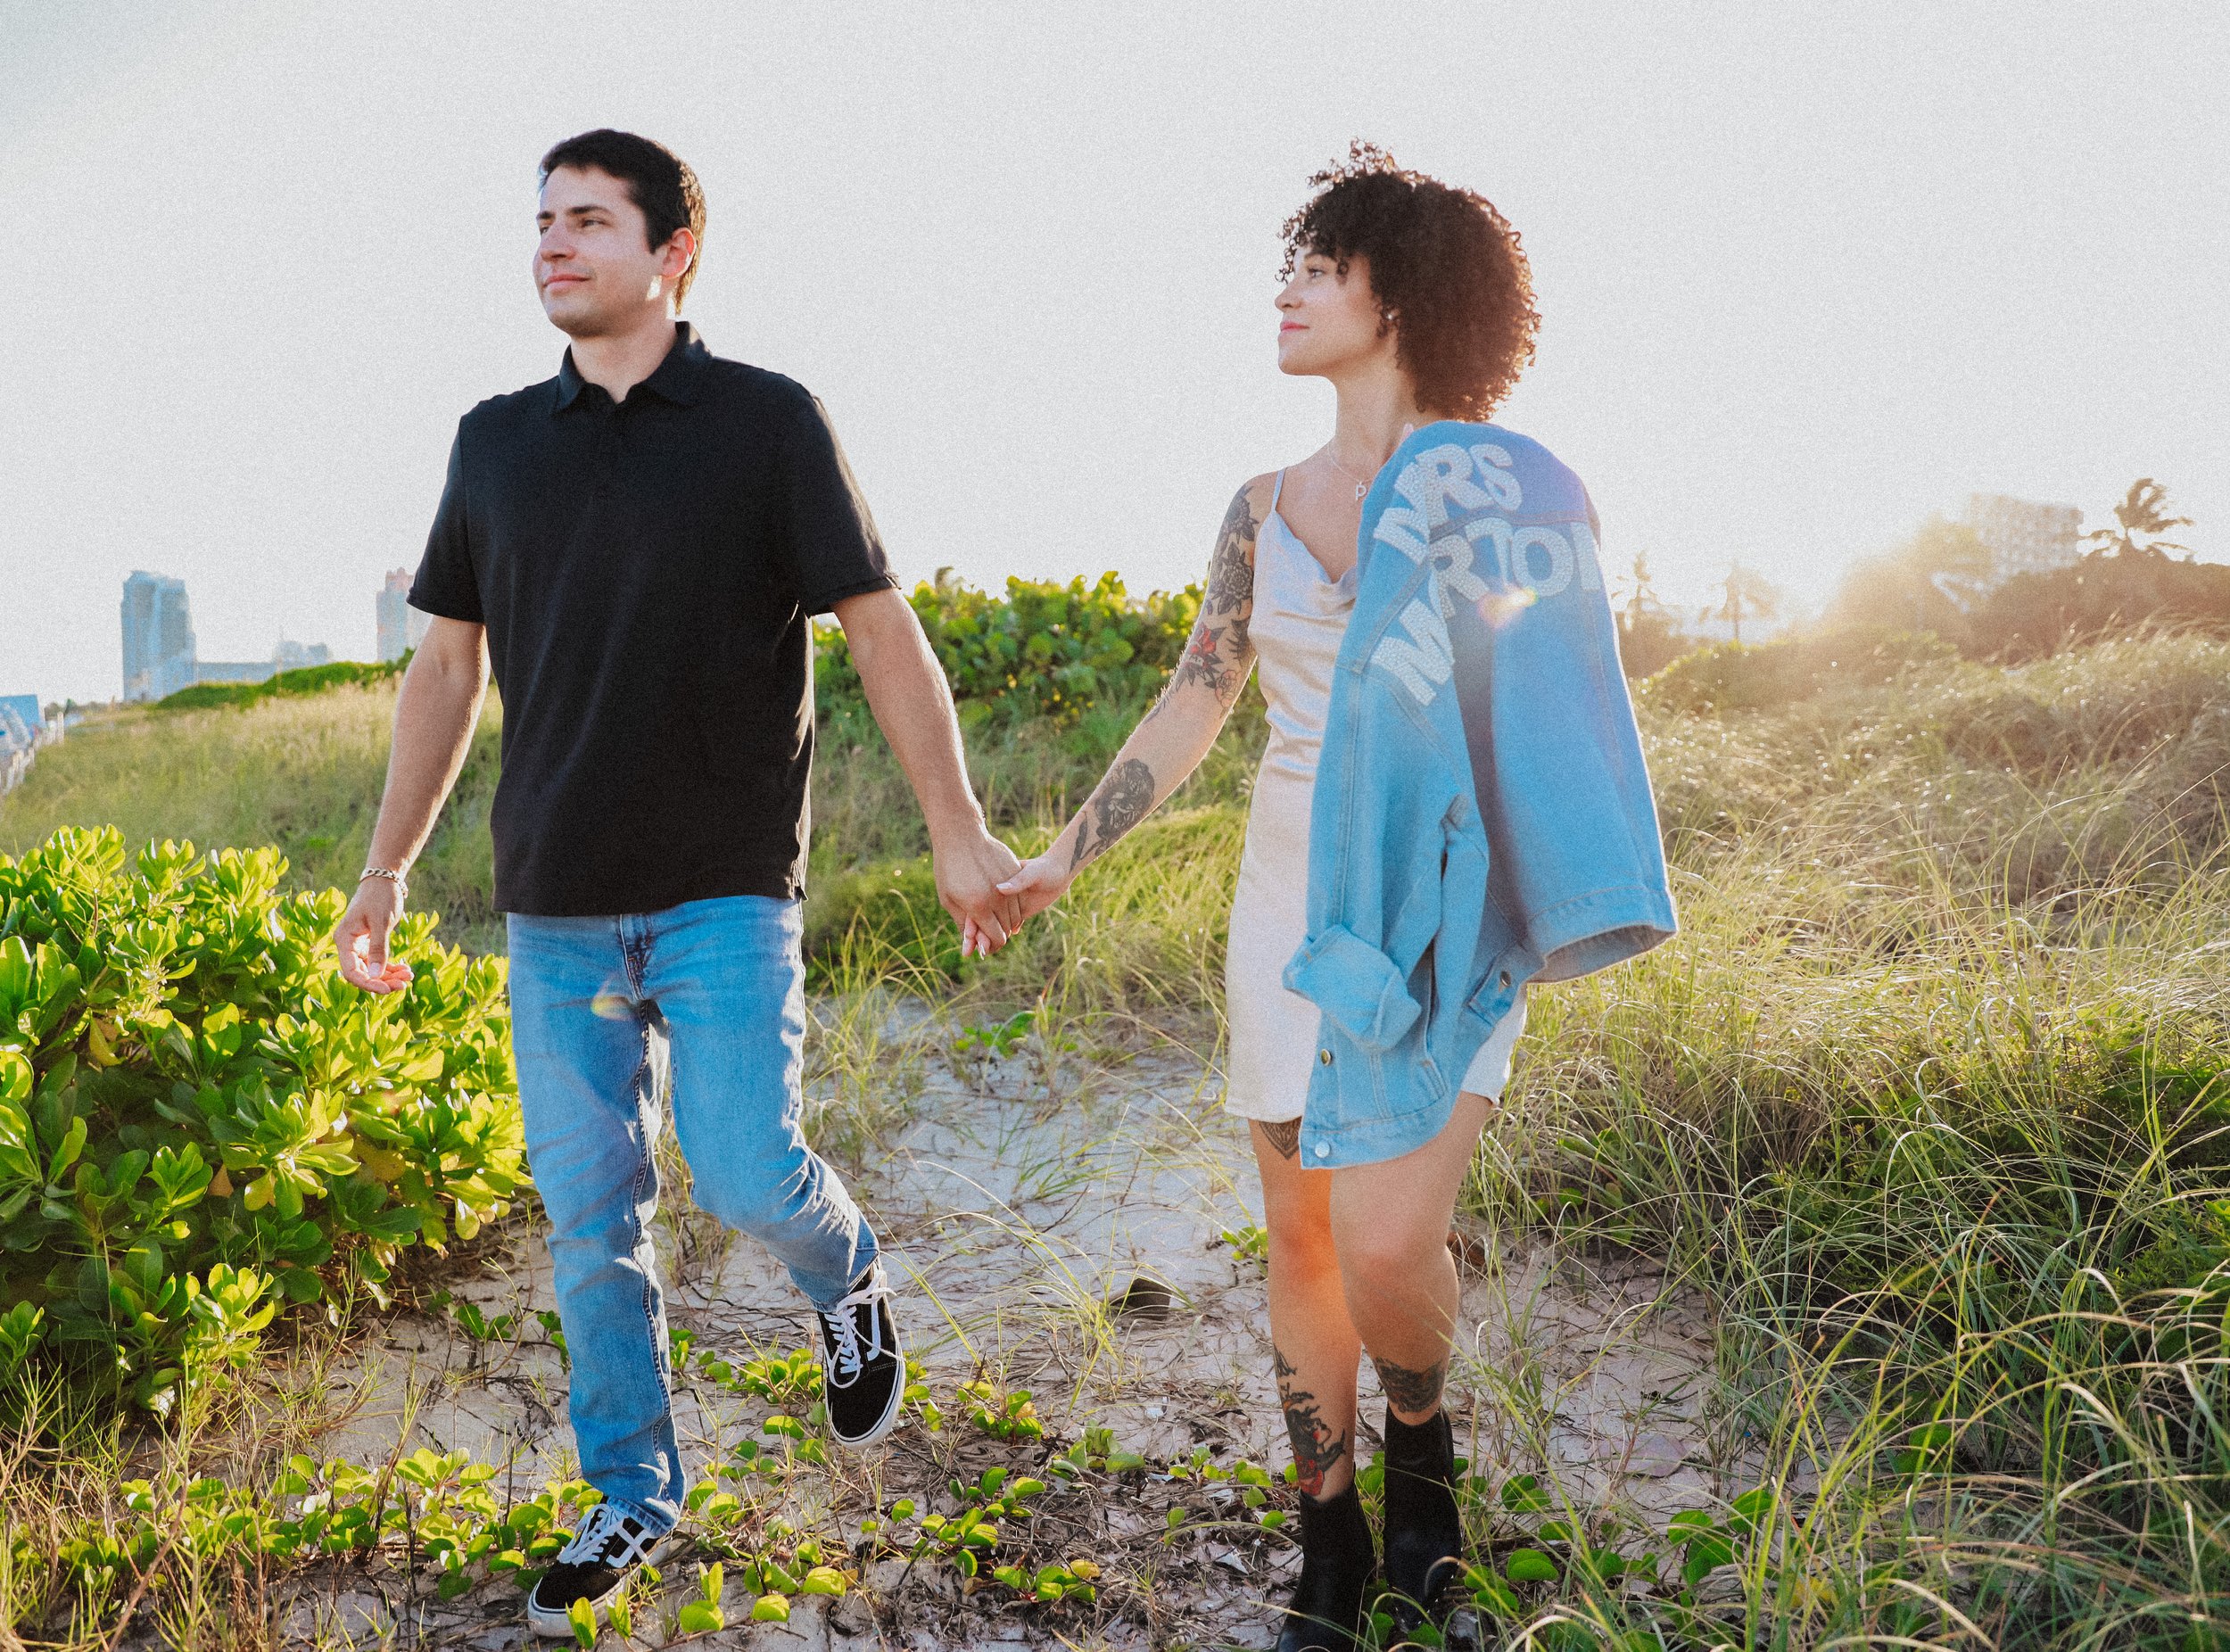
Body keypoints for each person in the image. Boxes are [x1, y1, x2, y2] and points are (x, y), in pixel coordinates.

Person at [331, 128, 1023, 1639]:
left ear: (672, 251)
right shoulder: (494, 442)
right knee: (591, 1220)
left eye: (587, 221)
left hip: (723, 890)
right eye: (541, 223)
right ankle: (633, 1494)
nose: (552, 246)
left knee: (742, 1168)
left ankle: (846, 1276)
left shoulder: (769, 424)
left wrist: (954, 826)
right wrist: (384, 869)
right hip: (555, 898)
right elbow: (445, 664)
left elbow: (879, 628)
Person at [998, 145, 1672, 1650]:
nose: (1290, 289)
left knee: (1384, 1241)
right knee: (1298, 1239)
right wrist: (1063, 853)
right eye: (1291, 265)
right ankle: (1331, 1535)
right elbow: (1197, 698)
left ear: (1402, 290)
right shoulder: (1263, 504)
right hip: (1290, 903)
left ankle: (1421, 1447)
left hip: (1446, 895)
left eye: (1322, 264)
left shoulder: (1503, 492)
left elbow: (1553, 709)